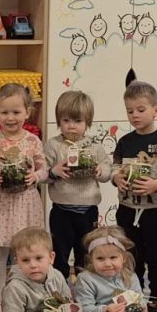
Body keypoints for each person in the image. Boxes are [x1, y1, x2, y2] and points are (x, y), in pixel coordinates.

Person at [0, 83, 47, 304]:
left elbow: (44, 169)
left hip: (25, 204)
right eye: (4, 112)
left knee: (24, 252)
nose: (10, 117)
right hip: (0, 205)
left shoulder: (32, 140)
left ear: (27, 112)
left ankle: (21, 296)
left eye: (16, 112)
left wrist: (35, 176)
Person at [111, 81, 157, 312]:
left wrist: (156, 184)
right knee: (131, 256)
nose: (135, 115)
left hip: (156, 212)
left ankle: (156, 296)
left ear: (155, 111)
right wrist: (116, 178)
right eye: (130, 111)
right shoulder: (125, 141)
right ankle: (135, 295)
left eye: (141, 110)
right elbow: (115, 167)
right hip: (127, 210)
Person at [43, 90, 112, 278]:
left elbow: (107, 169)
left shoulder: (94, 146)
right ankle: (60, 287)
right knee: (60, 253)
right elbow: (42, 174)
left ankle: (85, 287)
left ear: (87, 122)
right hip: (61, 211)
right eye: (66, 120)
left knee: (86, 253)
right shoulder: (53, 145)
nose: (71, 126)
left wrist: (100, 171)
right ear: (58, 121)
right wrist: (54, 171)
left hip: (88, 211)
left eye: (78, 121)